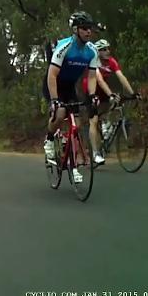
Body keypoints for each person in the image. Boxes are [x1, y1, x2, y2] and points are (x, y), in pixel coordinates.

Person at [43, 11, 101, 183]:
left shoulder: (92, 51)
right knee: (60, 113)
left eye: (90, 29)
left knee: (76, 124)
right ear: (75, 30)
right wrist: (54, 100)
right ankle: (49, 139)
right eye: (84, 28)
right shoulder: (65, 47)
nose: (88, 32)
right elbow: (52, 75)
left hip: (69, 87)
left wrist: (92, 95)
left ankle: (74, 164)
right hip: (53, 83)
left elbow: (91, 76)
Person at [83, 39, 140, 164]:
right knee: (94, 120)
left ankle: (106, 123)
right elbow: (99, 80)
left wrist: (132, 93)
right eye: (104, 49)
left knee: (116, 103)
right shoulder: (94, 61)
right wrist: (111, 94)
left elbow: (121, 76)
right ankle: (95, 153)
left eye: (108, 48)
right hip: (91, 91)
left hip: (103, 92)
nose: (107, 51)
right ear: (98, 52)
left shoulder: (111, 61)